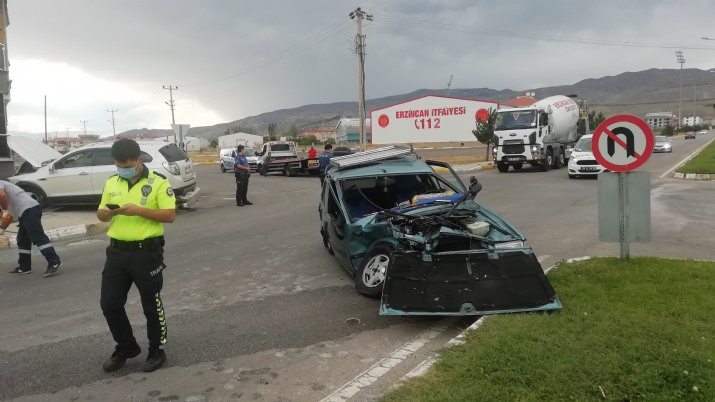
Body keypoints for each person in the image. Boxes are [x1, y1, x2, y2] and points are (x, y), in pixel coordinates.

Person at [96, 138, 176, 373]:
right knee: (109, 304)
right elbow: (101, 214)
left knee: (151, 303)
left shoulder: (158, 182)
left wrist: (137, 210)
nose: (123, 168)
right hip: (117, 252)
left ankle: (156, 349)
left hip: (146, 253)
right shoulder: (112, 182)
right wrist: (104, 214)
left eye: (127, 164)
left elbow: (169, 215)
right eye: (118, 165)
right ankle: (126, 346)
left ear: (139, 159)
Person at [0, 180, 62, 277]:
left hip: (29, 209)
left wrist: (4, 210)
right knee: (23, 240)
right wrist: (2, 229)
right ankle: (24, 267)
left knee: (37, 237)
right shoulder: (7, 193)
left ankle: (54, 261)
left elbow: (2, 196)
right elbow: (9, 216)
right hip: (25, 212)